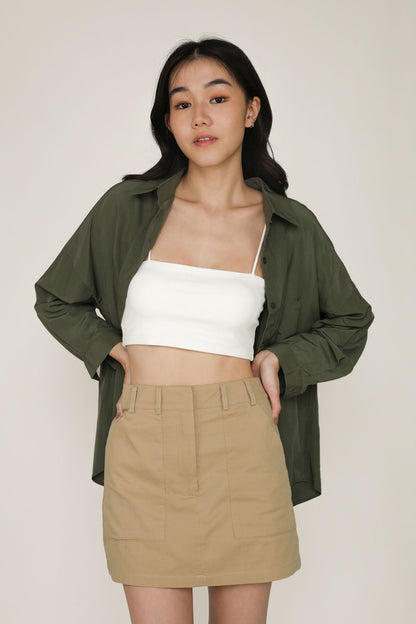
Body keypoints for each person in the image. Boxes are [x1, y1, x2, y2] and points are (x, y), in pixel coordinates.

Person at [34, 37, 375, 624]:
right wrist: (114, 352)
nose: (200, 117)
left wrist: (280, 360)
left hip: (242, 435)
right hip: (143, 436)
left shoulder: (288, 226)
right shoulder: (126, 207)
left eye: (217, 98)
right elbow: (56, 297)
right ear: (168, 121)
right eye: (182, 103)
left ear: (251, 109)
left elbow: (350, 320)